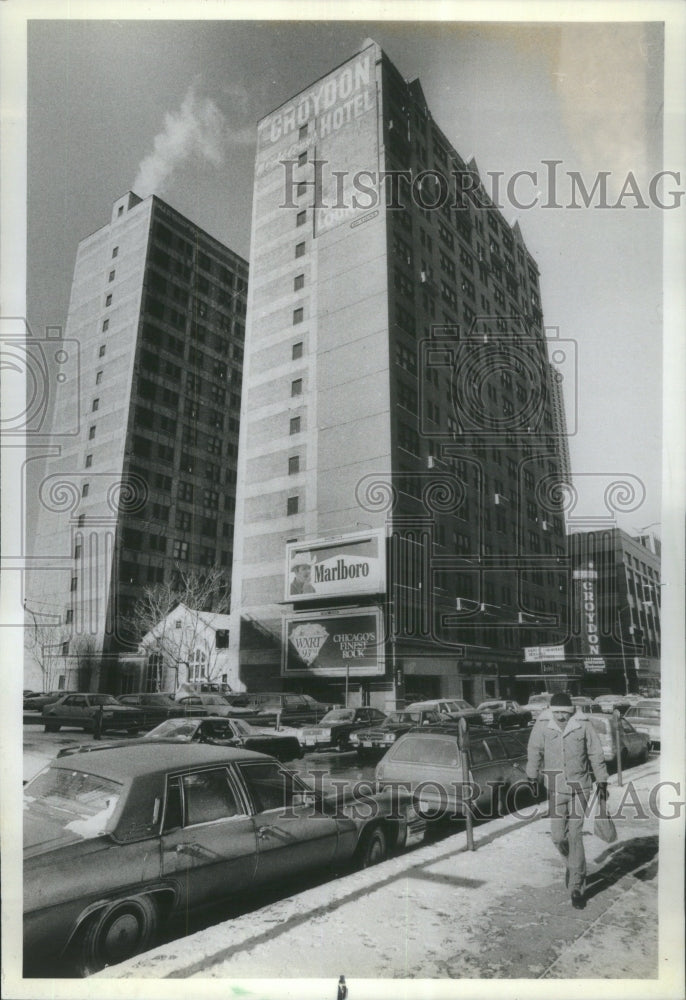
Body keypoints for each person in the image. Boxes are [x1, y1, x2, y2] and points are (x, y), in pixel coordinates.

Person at [526, 691, 609, 909]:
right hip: (555, 787)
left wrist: (602, 781)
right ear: (551, 712)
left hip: (580, 787)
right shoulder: (543, 724)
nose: (561, 717)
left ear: (571, 711)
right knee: (557, 837)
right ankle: (573, 866)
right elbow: (534, 750)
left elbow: (595, 753)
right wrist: (531, 776)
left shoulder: (583, 724)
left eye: (565, 712)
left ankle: (577, 886)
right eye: (557, 713)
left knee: (574, 835)